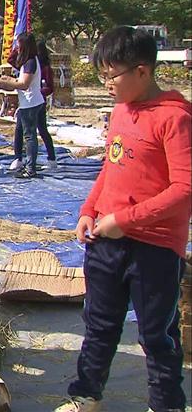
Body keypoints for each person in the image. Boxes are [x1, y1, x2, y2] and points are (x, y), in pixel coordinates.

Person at [55, 27, 191, 412]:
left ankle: (166, 403)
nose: (106, 83)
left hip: (154, 246)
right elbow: (109, 170)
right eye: (102, 74)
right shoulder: (120, 112)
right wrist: (88, 210)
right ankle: (85, 395)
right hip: (106, 237)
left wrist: (126, 220)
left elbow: (184, 188)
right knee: (99, 325)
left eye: (111, 75)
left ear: (143, 71)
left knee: (155, 334)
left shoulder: (174, 118)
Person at [0, 33, 44, 179]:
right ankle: (23, 162)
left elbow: (24, 84)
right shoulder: (28, 61)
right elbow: (19, 78)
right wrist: (9, 79)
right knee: (21, 131)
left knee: (30, 136)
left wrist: (5, 83)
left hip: (31, 103)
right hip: (28, 103)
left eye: (19, 44)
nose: (17, 47)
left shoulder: (30, 62)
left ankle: (31, 169)